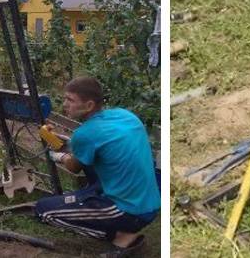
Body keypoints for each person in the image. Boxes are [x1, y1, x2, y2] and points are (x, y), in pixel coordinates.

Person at [34, 76, 160, 258]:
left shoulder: (85, 134)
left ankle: (124, 238)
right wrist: (71, 144)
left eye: (70, 100)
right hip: (152, 203)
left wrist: (59, 156)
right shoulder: (125, 116)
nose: (65, 105)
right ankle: (95, 200)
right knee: (94, 163)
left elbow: (74, 166)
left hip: (128, 210)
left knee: (43, 210)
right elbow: (103, 145)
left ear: (89, 105)